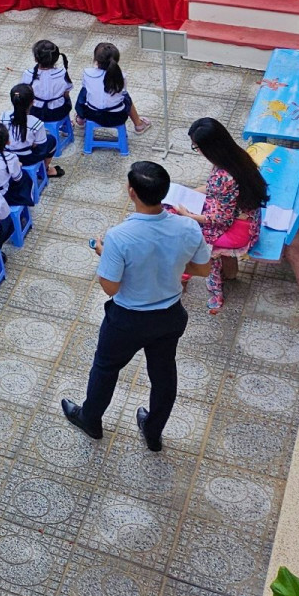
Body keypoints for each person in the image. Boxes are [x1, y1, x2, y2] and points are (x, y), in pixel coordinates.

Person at [62, 161, 211, 452]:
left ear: (131, 192)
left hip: (127, 319)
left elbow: (111, 287)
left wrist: (104, 254)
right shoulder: (188, 227)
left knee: (105, 368)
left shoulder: (119, 237)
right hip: (169, 316)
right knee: (164, 374)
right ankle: (153, 431)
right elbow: (203, 270)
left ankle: (91, 419)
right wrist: (170, 266)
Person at [184, 115, 299, 308]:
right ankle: (228, 272)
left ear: (209, 148)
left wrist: (189, 215)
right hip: (252, 218)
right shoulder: (235, 157)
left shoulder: (223, 176)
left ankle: (214, 285)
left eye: (197, 147)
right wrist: (189, 193)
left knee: (193, 234)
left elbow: (220, 219)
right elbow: (216, 191)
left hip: (241, 232)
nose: (197, 151)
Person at [76, 41, 148, 135]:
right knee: (126, 97)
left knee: (84, 91)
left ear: (96, 59)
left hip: (92, 115)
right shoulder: (121, 77)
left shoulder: (88, 73)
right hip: (117, 117)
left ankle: (80, 119)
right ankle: (138, 124)